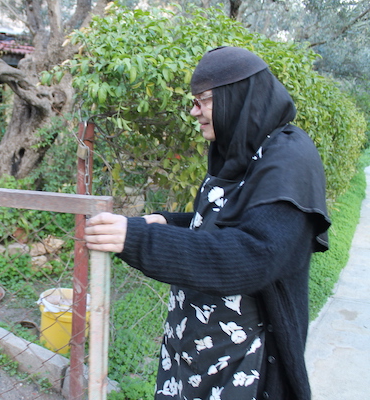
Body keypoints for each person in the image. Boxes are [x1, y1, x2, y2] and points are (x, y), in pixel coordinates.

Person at [84, 46, 331, 400]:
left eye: (203, 101)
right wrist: (167, 222)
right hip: (196, 351)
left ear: (236, 96)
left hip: (244, 365)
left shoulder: (290, 160)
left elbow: (250, 255)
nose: (193, 111)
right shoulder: (241, 149)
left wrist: (137, 239)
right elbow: (228, 219)